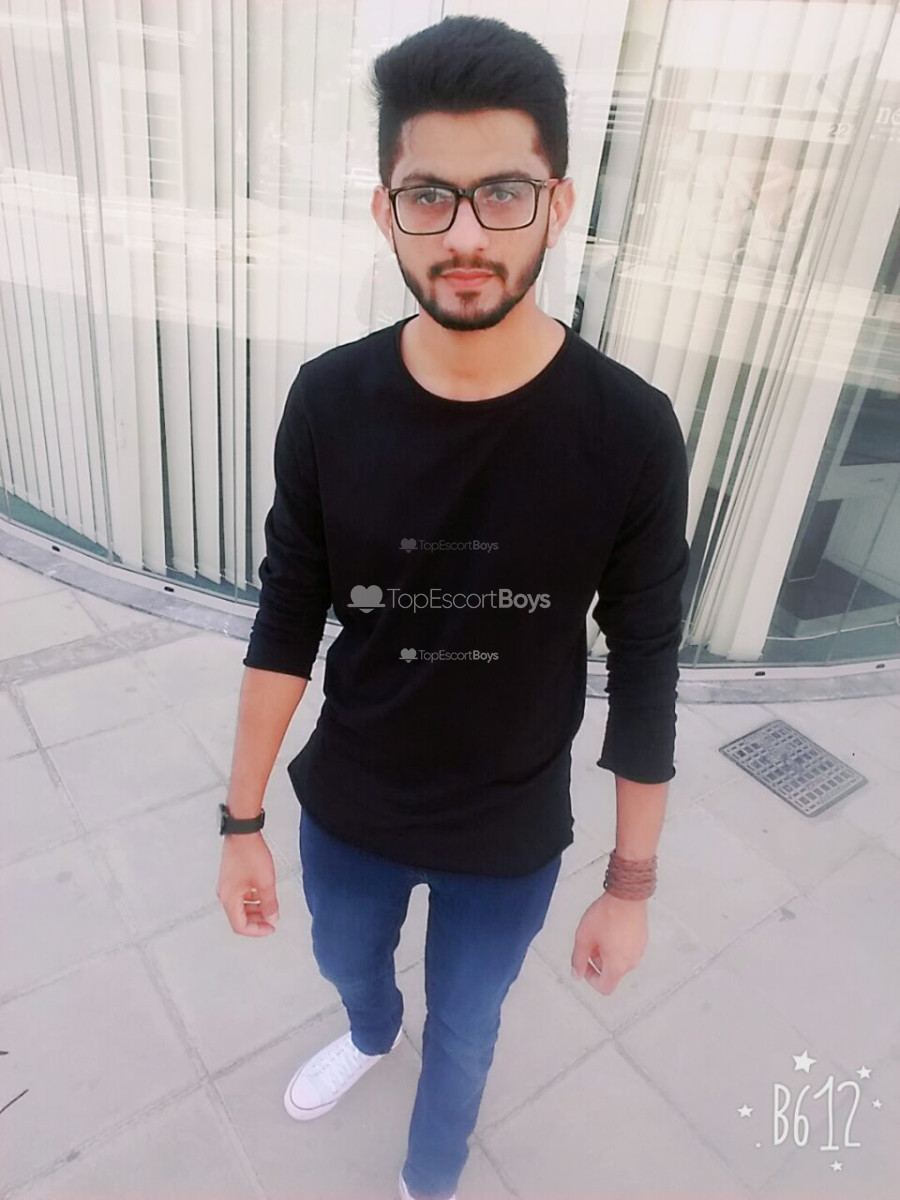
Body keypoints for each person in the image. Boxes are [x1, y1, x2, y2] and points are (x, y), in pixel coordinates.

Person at [216, 14, 690, 1200]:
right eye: (430, 195)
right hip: (351, 803)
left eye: (504, 193)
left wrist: (629, 887)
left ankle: (430, 1177)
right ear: (386, 211)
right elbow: (287, 614)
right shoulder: (329, 402)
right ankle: (370, 1031)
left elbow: (646, 664)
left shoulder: (629, 431)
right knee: (346, 963)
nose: (467, 234)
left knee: (469, 1031)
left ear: (558, 204)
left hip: (508, 828)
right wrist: (241, 820)